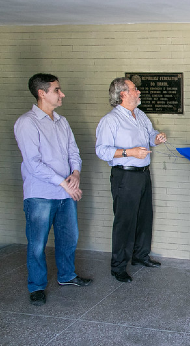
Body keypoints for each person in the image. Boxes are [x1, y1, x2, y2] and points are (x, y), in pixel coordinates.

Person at [14, 73, 92, 306]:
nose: (62, 94)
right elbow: (33, 163)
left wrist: (76, 173)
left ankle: (67, 276)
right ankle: (36, 286)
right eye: (57, 90)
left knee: (69, 238)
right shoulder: (26, 123)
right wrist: (65, 183)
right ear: (42, 93)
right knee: (37, 243)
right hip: (40, 195)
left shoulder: (62, 121)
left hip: (65, 193)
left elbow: (73, 152)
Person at [96, 77, 167, 283]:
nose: (139, 92)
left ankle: (140, 256)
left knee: (145, 217)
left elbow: (150, 134)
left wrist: (157, 138)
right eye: (135, 89)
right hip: (125, 175)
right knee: (125, 221)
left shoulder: (140, 114)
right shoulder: (110, 120)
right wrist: (129, 152)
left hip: (143, 173)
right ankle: (118, 266)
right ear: (123, 94)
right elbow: (102, 151)